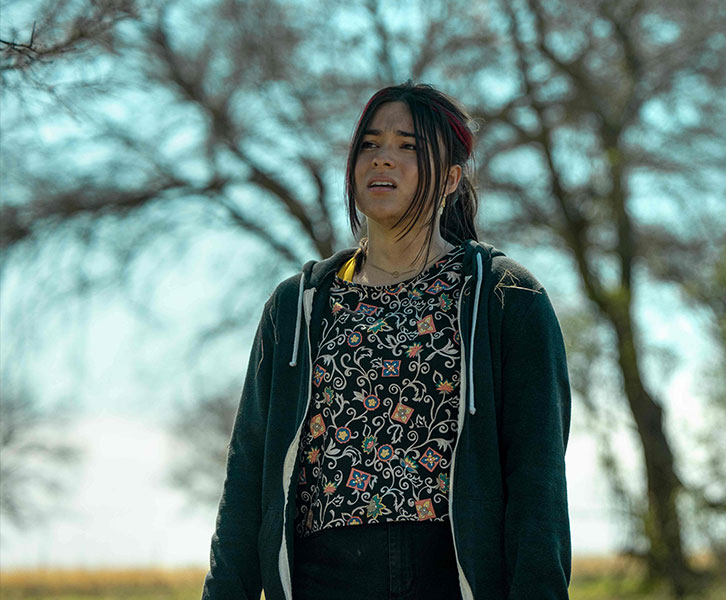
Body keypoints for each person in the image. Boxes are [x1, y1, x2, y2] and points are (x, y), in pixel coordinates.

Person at [202, 83, 572, 600]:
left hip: (449, 577)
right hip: (322, 579)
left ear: (450, 179)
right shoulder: (297, 307)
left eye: (408, 147)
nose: (383, 160)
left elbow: (539, 487)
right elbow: (245, 480)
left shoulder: (505, 297)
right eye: (370, 145)